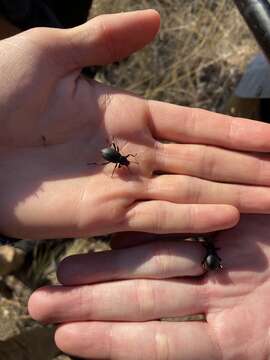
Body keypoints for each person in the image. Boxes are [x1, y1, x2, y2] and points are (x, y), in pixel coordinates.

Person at [0, 8, 268, 359]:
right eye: (123, 161)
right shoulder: (116, 159)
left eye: (123, 162)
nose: (124, 164)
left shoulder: (120, 159)